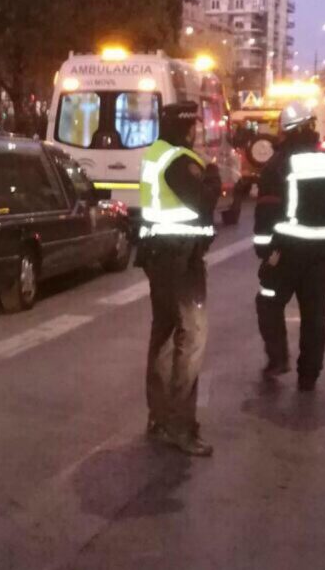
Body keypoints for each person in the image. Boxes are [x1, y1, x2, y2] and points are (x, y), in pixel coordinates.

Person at [254, 102, 325, 392]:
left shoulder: (277, 165)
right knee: (315, 317)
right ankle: (308, 377)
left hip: (286, 252)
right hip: (323, 254)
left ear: (285, 131)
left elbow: (266, 214)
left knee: (268, 302)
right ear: (311, 126)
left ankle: (278, 358)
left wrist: (264, 252)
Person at [137, 101, 222, 457]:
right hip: (179, 257)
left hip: (160, 255)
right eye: (194, 128)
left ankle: (159, 417)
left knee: (165, 332)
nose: (196, 135)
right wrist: (213, 178)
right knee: (192, 337)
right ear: (187, 128)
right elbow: (200, 202)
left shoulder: (155, 153)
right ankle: (180, 425)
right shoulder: (177, 159)